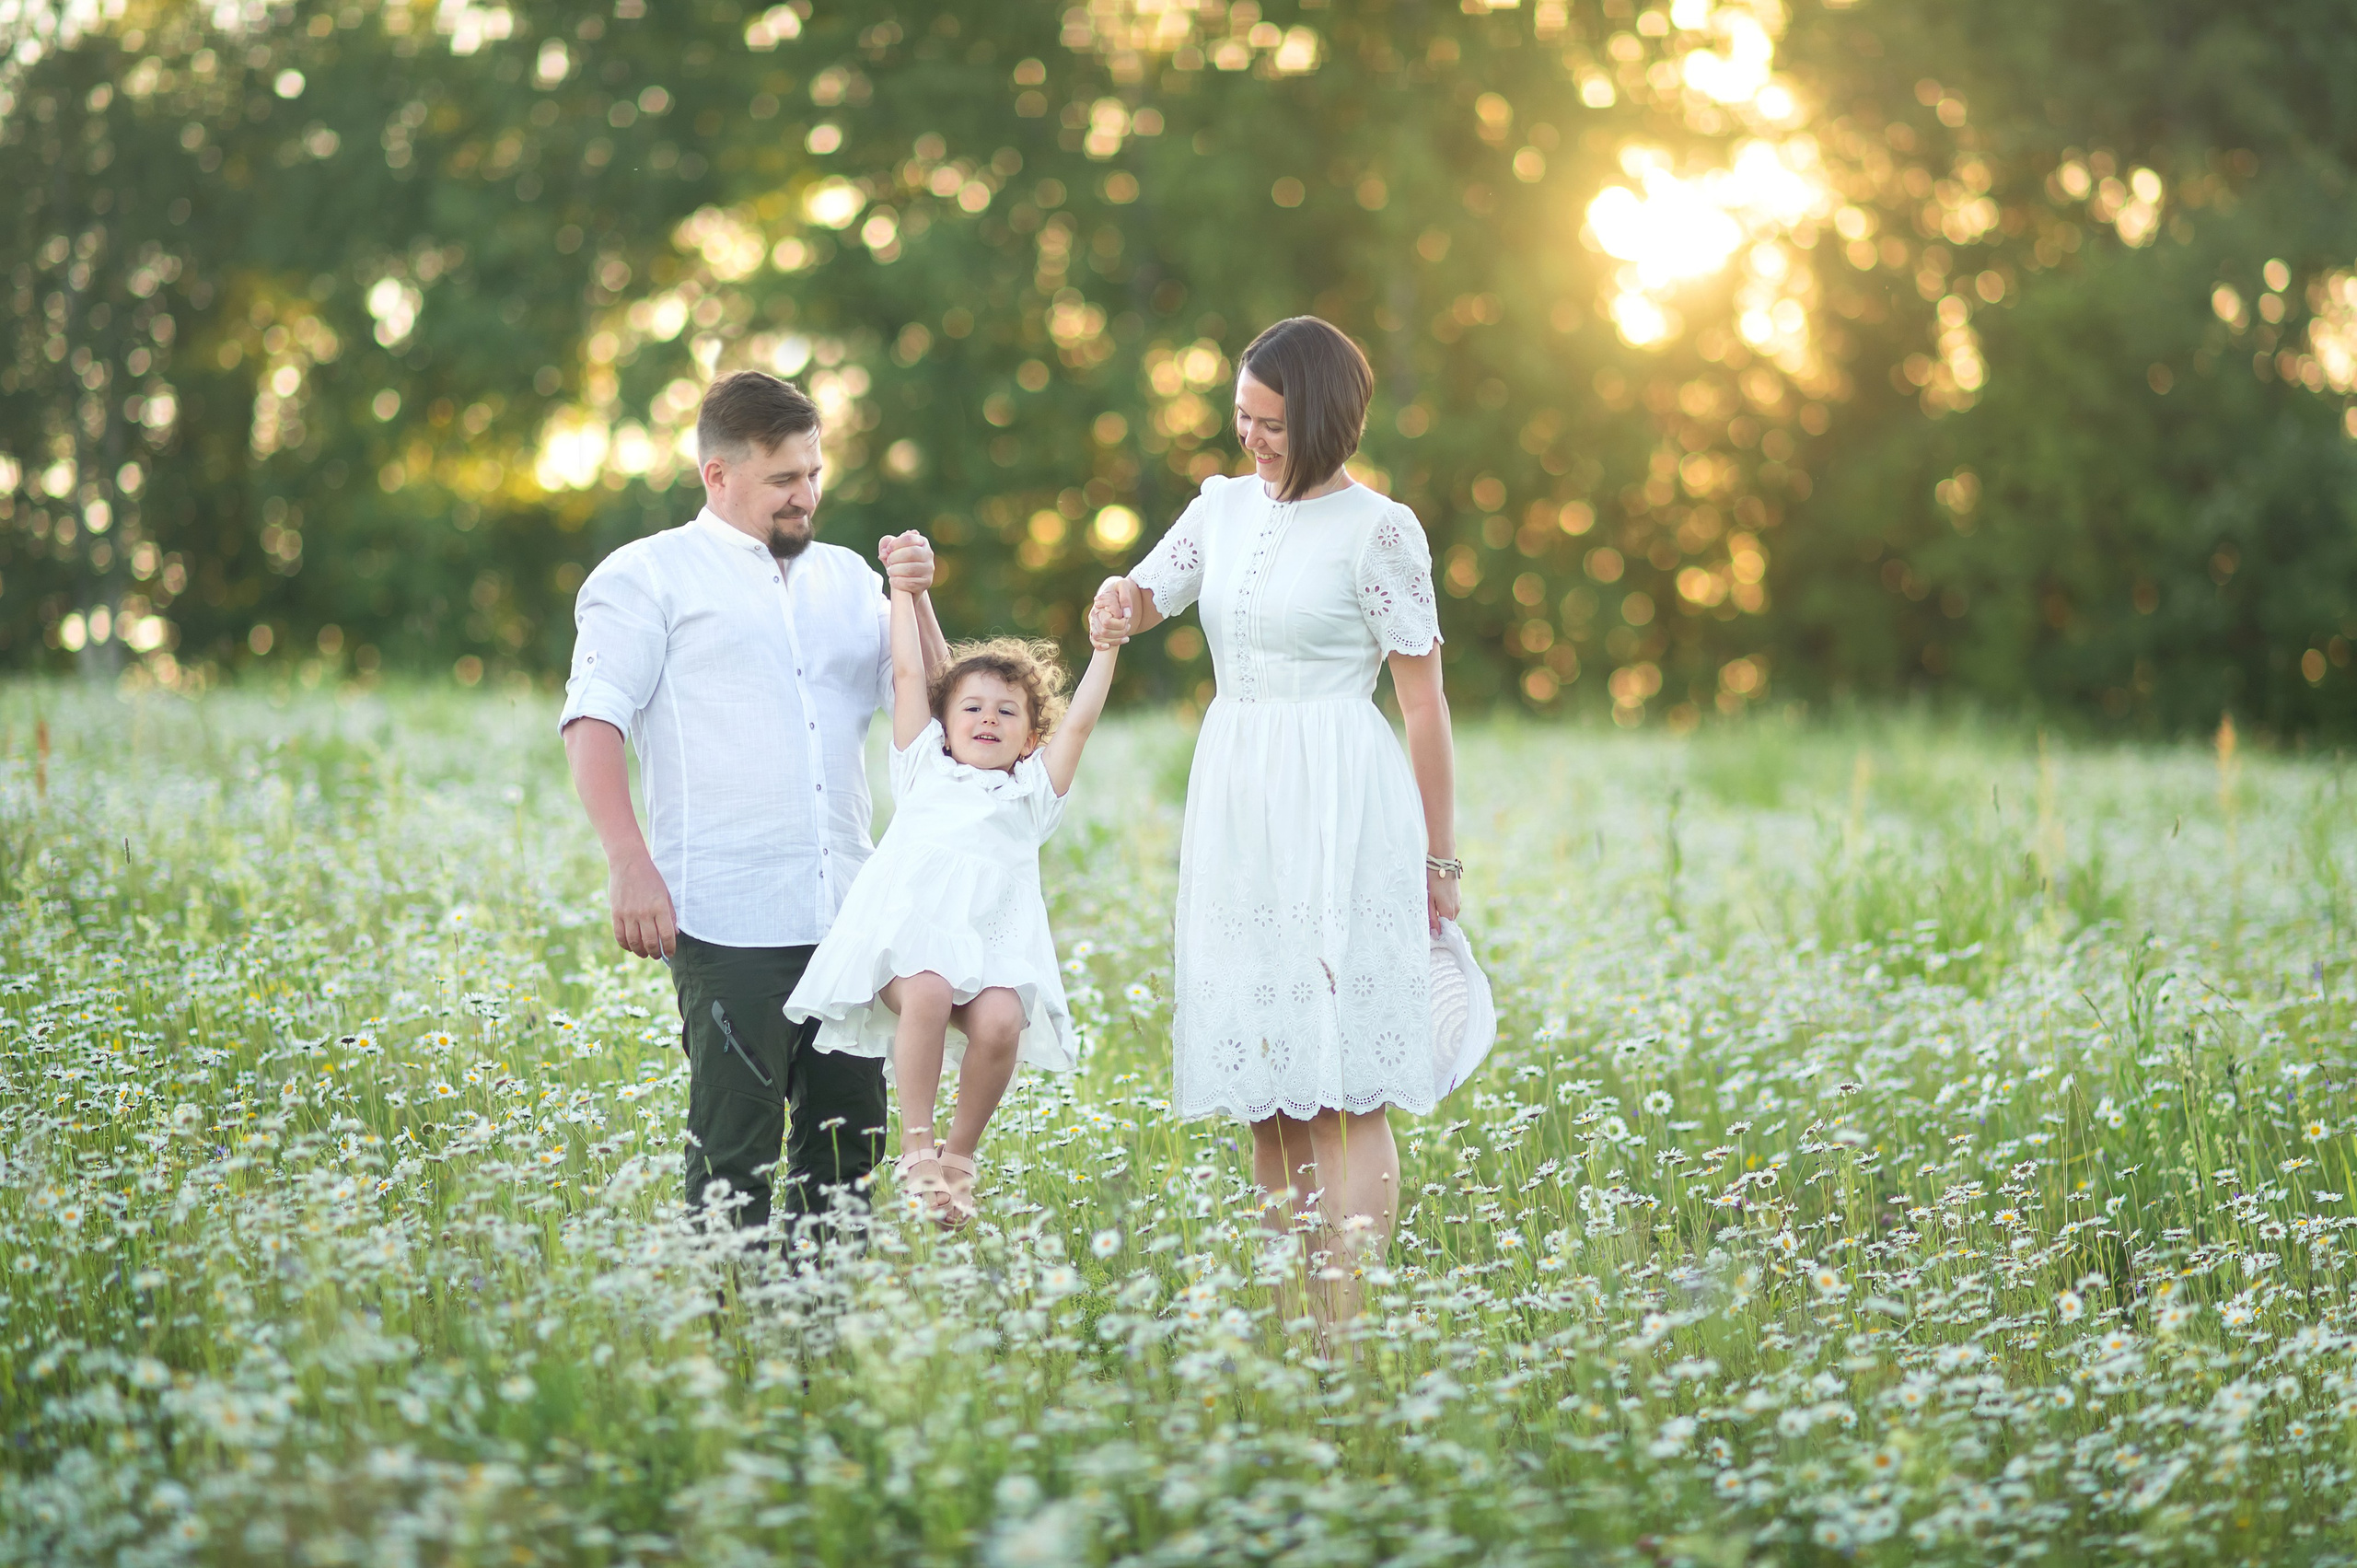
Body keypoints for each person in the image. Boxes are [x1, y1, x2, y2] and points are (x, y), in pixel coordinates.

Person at [1089, 316, 1461, 1330]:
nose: (1249, 437)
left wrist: (1440, 859)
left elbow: (1424, 704)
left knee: (1345, 1083)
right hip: (1240, 802)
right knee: (1268, 1079)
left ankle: (1349, 1327)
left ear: (1325, 419)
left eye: (1270, 422)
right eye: (1241, 417)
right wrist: (1118, 598)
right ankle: (1292, 1320)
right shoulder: (1219, 508)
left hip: (1341, 801)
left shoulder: (1380, 530)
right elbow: (1147, 594)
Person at [559, 369, 948, 1241]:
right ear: (718, 475)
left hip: (848, 918)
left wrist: (916, 600)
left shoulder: (850, 579)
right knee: (734, 1157)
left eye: (813, 473)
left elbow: (936, 711)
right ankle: (730, 1321)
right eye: (783, 479)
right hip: (725, 916)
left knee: (848, 1154)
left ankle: (820, 1323)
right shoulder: (646, 576)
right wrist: (628, 861)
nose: (805, 494)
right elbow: (593, 721)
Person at [785, 580, 1120, 1226]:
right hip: (903, 949)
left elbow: (1079, 723)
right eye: (972, 708)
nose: (988, 719)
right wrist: (904, 592)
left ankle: (959, 1158)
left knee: (1001, 1020)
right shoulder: (923, 767)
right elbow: (910, 672)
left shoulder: (1033, 795)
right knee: (931, 986)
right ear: (944, 721)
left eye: (1007, 711)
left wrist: (1105, 649)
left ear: (1031, 737)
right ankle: (916, 1144)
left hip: (988, 956)